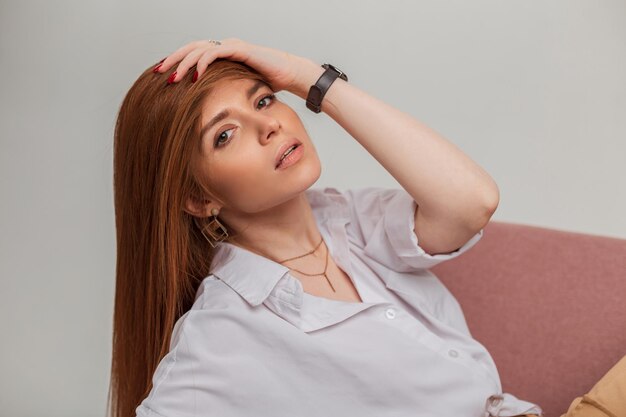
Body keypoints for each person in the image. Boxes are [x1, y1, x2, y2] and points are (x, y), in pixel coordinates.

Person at [108, 38, 623, 417]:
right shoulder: (222, 332)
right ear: (198, 198)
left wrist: (310, 78)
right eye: (225, 135)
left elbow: (472, 202)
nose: (270, 124)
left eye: (264, 99)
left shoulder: (353, 220)